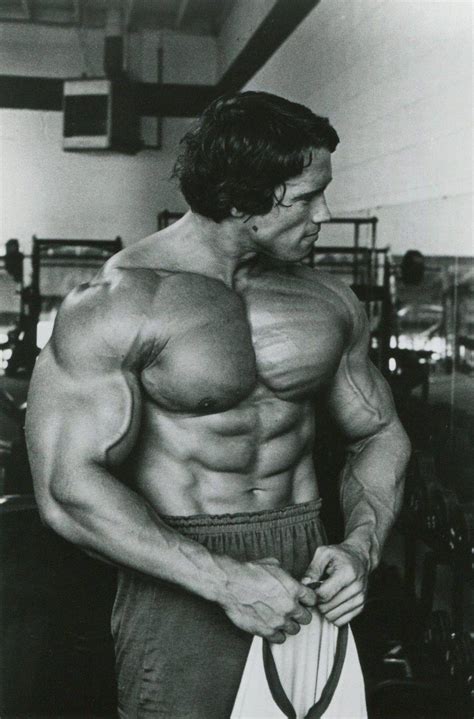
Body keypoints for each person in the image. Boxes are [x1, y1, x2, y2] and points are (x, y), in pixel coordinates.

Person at [26, 92, 411, 718]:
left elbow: (380, 433)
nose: (325, 213)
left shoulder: (327, 299)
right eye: (306, 197)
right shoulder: (120, 302)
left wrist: (361, 548)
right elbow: (65, 487)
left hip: (309, 564)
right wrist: (223, 580)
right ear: (239, 200)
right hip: (178, 570)